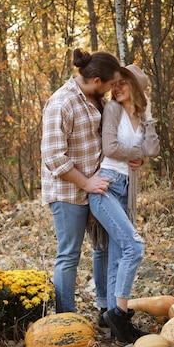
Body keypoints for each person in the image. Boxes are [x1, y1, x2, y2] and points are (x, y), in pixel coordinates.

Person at [41, 48, 121, 315]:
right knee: (69, 255)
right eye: (110, 84)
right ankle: (65, 320)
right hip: (69, 193)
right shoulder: (61, 102)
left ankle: (105, 310)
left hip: (97, 190)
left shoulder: (95, 99)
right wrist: (85, 183)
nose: (112, 90)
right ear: (97, 80)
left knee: (104, 248)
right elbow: (53, 157)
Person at [88, 64, 160, 343]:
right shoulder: (113, 110)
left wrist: (149, 114)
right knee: (134, 245)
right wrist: (139, 154)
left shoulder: (141, 115)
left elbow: (153, 149)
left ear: (137, 88)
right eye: (113, 84)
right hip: (105, 186)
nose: (115, 89)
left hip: (126, 189)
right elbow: (111, 148)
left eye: (122, 84)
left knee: (119, 253)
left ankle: (115, 320)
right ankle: (119, 312)